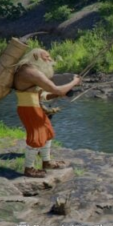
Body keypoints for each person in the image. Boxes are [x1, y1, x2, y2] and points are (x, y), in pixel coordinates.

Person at [12, 49, 80, 178]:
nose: (50, 60)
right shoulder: (30, 71)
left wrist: (59, 94)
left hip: (34, 107)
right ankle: (29, 168)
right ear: (36, 56)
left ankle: (46, 162)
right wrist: (74, 82)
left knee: (48, 133)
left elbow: (42, 95)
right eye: (46, 57)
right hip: (29, 108)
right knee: (36, 138)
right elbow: (56, 89)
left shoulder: (29, 70)